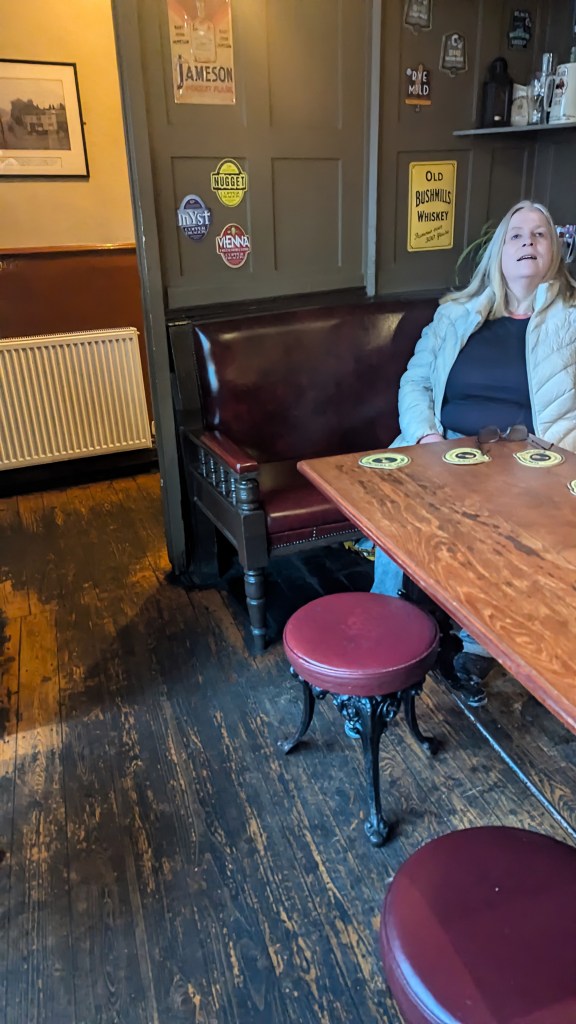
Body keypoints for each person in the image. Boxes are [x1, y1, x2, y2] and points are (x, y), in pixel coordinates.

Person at [372, 199, 576, 698]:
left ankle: (479, 641)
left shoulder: (572, 321)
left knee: (505, 526)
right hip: (442, 447)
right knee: (395, 506)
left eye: (540, 234)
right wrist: (427, 438)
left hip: (531, 464)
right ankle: (387, 621)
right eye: (517, 235)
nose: (528, 242)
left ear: (555, 251)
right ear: (499, 252)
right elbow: (416, 381)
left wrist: (554, 465)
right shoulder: (455, 315)